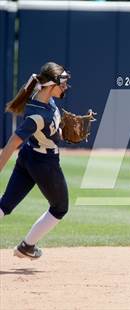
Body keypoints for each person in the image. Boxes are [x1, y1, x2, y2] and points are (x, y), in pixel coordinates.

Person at [0, 62, 71, 259]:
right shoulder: (37, 115)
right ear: (50, 85)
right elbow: (12, 143)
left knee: (5, 205)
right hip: (44, 164)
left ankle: (26, 247)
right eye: (62, 83)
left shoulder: (42, 99)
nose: (65, 86)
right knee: (60, 207)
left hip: (28, 157)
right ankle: (27, 246)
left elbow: (46, 129)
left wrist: (61, 130)